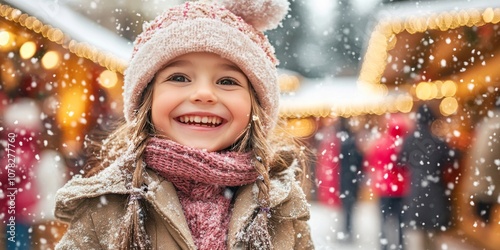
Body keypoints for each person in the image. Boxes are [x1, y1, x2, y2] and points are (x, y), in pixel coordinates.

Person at [53, 0, 314, 249]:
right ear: (148, 100)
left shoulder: (281, 206)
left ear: (255, 106)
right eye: (179, 77)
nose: (203, 93)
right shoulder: (106, 206)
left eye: (227, 81)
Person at [399, 104, 454, 250]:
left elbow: (401, 161)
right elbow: (450, 158)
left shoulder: (409, 139)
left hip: (416, 189)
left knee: (417, 238)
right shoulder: (437, 141)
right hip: (434, 190)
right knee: (433, 235)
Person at [366, 114, 410, 250]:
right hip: (401, 190)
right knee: (400, 223)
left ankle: (384, 245)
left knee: (384, 221)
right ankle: (401, 246)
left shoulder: (380, 143)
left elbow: (371, 164)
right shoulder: (404, 145)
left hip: (384, 189)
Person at [337, 117, 364, 242]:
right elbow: (359, 160)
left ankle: (346, 229)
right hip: (352, 179)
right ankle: (348, 229)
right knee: (350, 207)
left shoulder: (343, 143)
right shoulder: (352, 142)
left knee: (346, 207)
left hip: (345, 178)